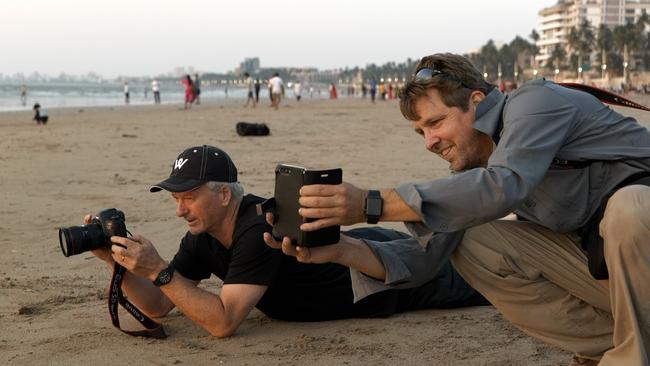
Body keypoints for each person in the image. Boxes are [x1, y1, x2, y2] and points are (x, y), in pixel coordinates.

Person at [287, 53, 650, 366]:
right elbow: (425, 259)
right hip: (618, 279)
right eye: (420, 133)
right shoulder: (477, 170)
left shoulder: (534, 103)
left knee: (629, 208)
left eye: (435, 123)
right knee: (473, 241)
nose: (429, 142)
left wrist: (372, 203)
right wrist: (339, 249)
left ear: (476, 101)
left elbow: (504, 185)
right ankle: (615, 343)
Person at [84, 145, 486, 338]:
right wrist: (115, 261)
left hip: (382, 280)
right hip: (364, 251)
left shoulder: (256, 230)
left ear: (224, 195)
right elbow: (157, 305)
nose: (180, 210)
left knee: (488, 275)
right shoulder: (202, 237)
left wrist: (159, 269)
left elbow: (223, 322)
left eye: (188, 198)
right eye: (176, 200)